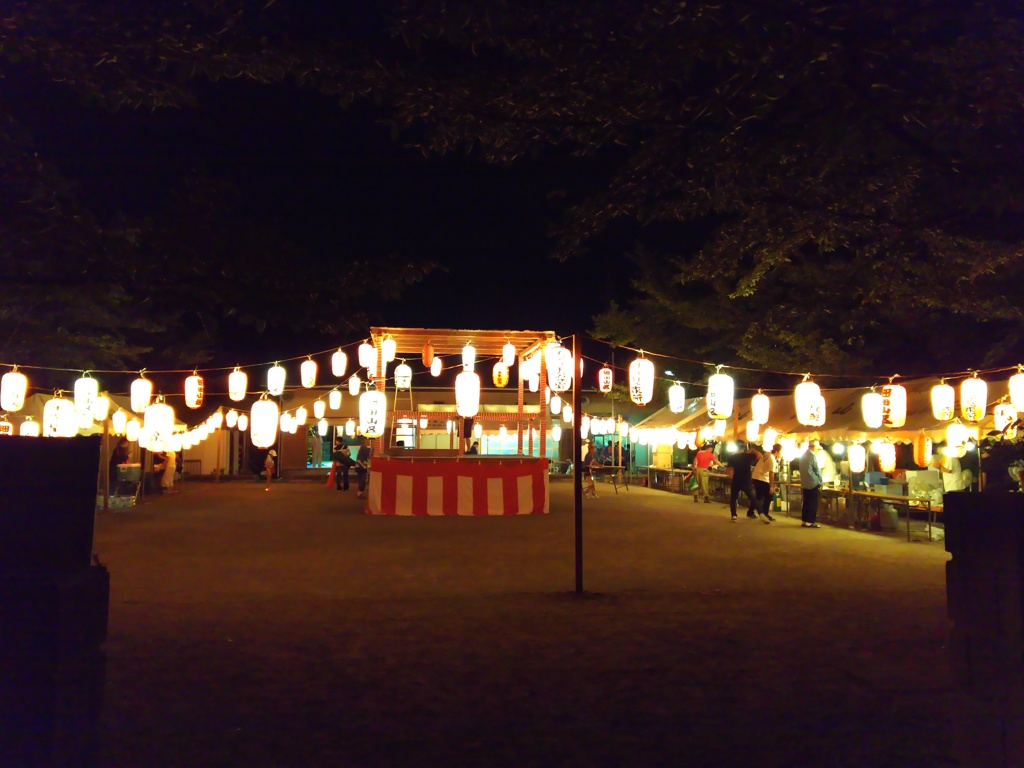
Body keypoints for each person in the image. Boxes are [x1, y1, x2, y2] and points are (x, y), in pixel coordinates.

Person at [726, 441, 760, 522]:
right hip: (745, 480)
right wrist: (753, 449)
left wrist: (731, 474)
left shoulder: (732, 457)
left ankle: (733, 515)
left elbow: (728, 469)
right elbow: (759, 456)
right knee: (752, 497)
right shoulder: (747, 456)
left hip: (736, 479)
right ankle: (761, 513)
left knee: (733, 498)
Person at [752, 443, 781, 523]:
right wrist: (771, 487)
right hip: (762, 478)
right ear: (777, 451)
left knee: (758, 496)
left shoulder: (767, 454)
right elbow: (771, 474)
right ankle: (765, 513)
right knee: (768, 496)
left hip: (756, 476)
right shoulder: (772, 459)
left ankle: (750, 512)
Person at [798, 440, 824, 527]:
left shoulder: (803, 456)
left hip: (805, 483)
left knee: (806, 502)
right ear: (813, 447)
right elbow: (817, 469)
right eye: (817, 448)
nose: (817, 450)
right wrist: (820, 481)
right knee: (813, 502)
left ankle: (804, 520)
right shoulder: (812, 456)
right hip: (813, 482)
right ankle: (810, 521)